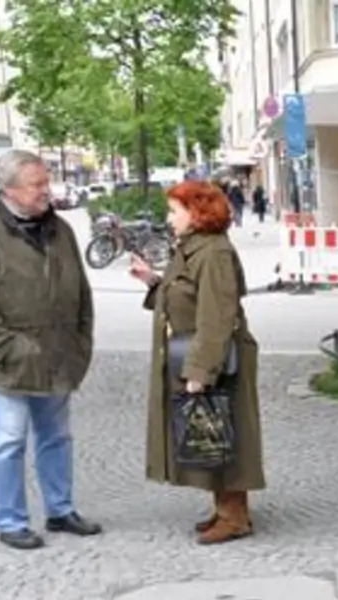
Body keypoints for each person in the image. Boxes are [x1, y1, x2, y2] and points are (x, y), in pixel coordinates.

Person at [0, 150, 101, 550]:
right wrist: (9, 348)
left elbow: (81, 292)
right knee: (8, 441)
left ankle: (60, 509)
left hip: (56, 355)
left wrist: (81, 341)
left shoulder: (59, 229)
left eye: (46, 182)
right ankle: (11, 520)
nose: (47, 191)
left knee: (57, 437)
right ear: (9, 188)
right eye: (38, 184)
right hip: (5, 363)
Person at [132, 181, 266, 544]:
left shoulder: (213, 253)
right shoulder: (195, 248)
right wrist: (153, 282)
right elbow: (186, 294)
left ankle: (234, 516)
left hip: (217, 356)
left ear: (197, 213)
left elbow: (217, 316)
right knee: (211, 432)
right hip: (202, 351)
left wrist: (200, 372)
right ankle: (225, 508)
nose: (168, 217)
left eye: (174, 210)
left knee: (222, 431)